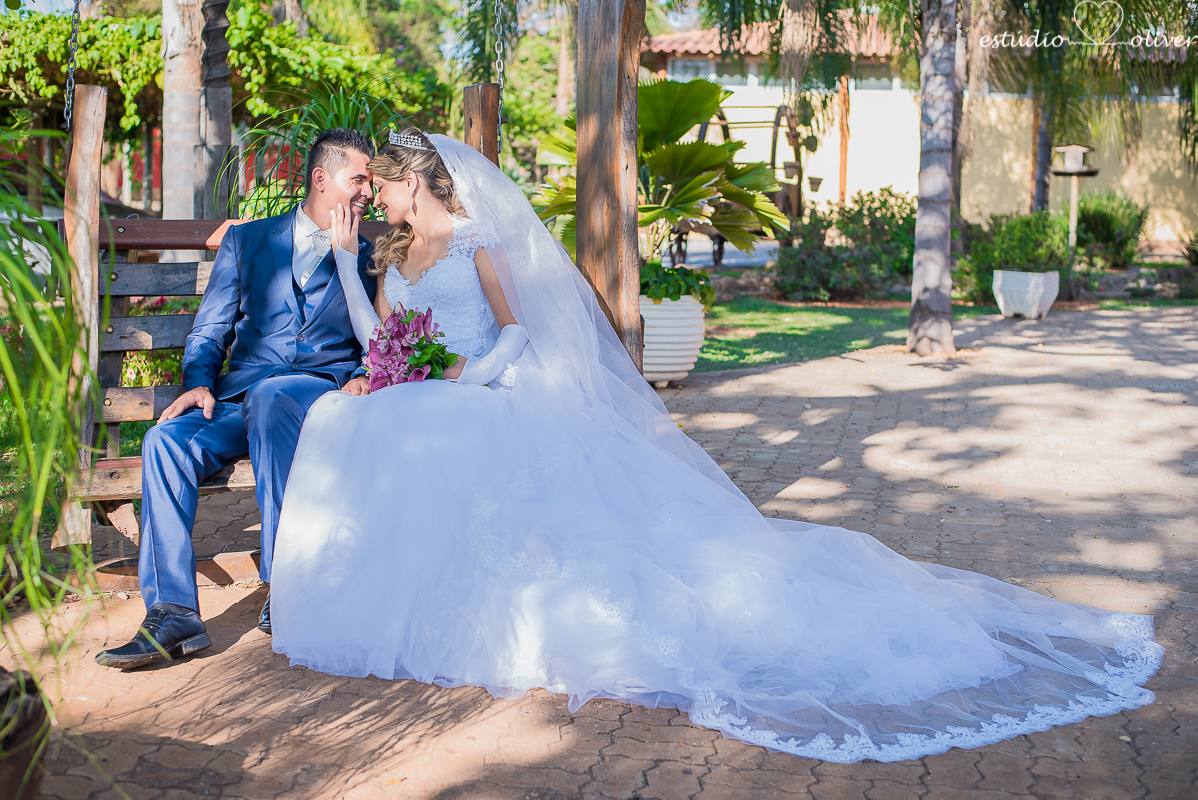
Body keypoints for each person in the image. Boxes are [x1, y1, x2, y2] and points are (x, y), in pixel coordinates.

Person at [268, 128, 1163, 763]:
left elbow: (514, 338)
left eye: (381, 185)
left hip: (484, 392)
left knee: (418, 429)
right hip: (424, 390)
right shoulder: (392, 256)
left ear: (414, 182)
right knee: (348, 418)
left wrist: (460, 378)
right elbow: (380, 336)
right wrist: (355, 275)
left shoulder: (476, 247)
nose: (373, 197)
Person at [96, 129, 379, 669]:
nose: (367, 191)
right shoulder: (247, 242)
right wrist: (198, 381)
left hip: (315, 395)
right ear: (322, 178)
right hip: (239, 395)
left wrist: (365, 372)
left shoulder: (369, 256)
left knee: (275, 397)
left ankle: (286, 586)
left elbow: (383, 333)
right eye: (358, 179)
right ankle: (173, 612)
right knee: (163, 441)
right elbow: (211, 328)